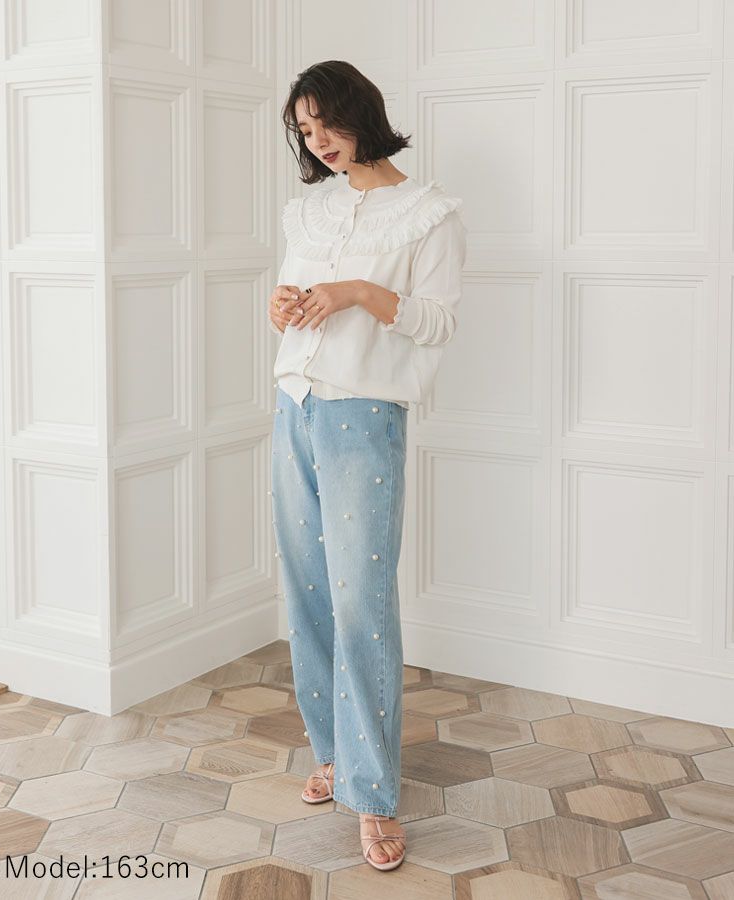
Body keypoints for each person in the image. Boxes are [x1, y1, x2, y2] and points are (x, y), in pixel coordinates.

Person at [267, 59, 467, 871]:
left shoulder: (428, 214)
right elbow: (289, 301)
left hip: (363, 416)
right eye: (305, 130)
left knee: (361, 605)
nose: (318, 141)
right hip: (294, 403)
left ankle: (374, 794)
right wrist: (281, 306)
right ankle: (333, 755)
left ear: (361, 113)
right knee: (308, 592)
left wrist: (356, 291)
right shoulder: (309, 209)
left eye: (326, 123)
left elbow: (438, 322)